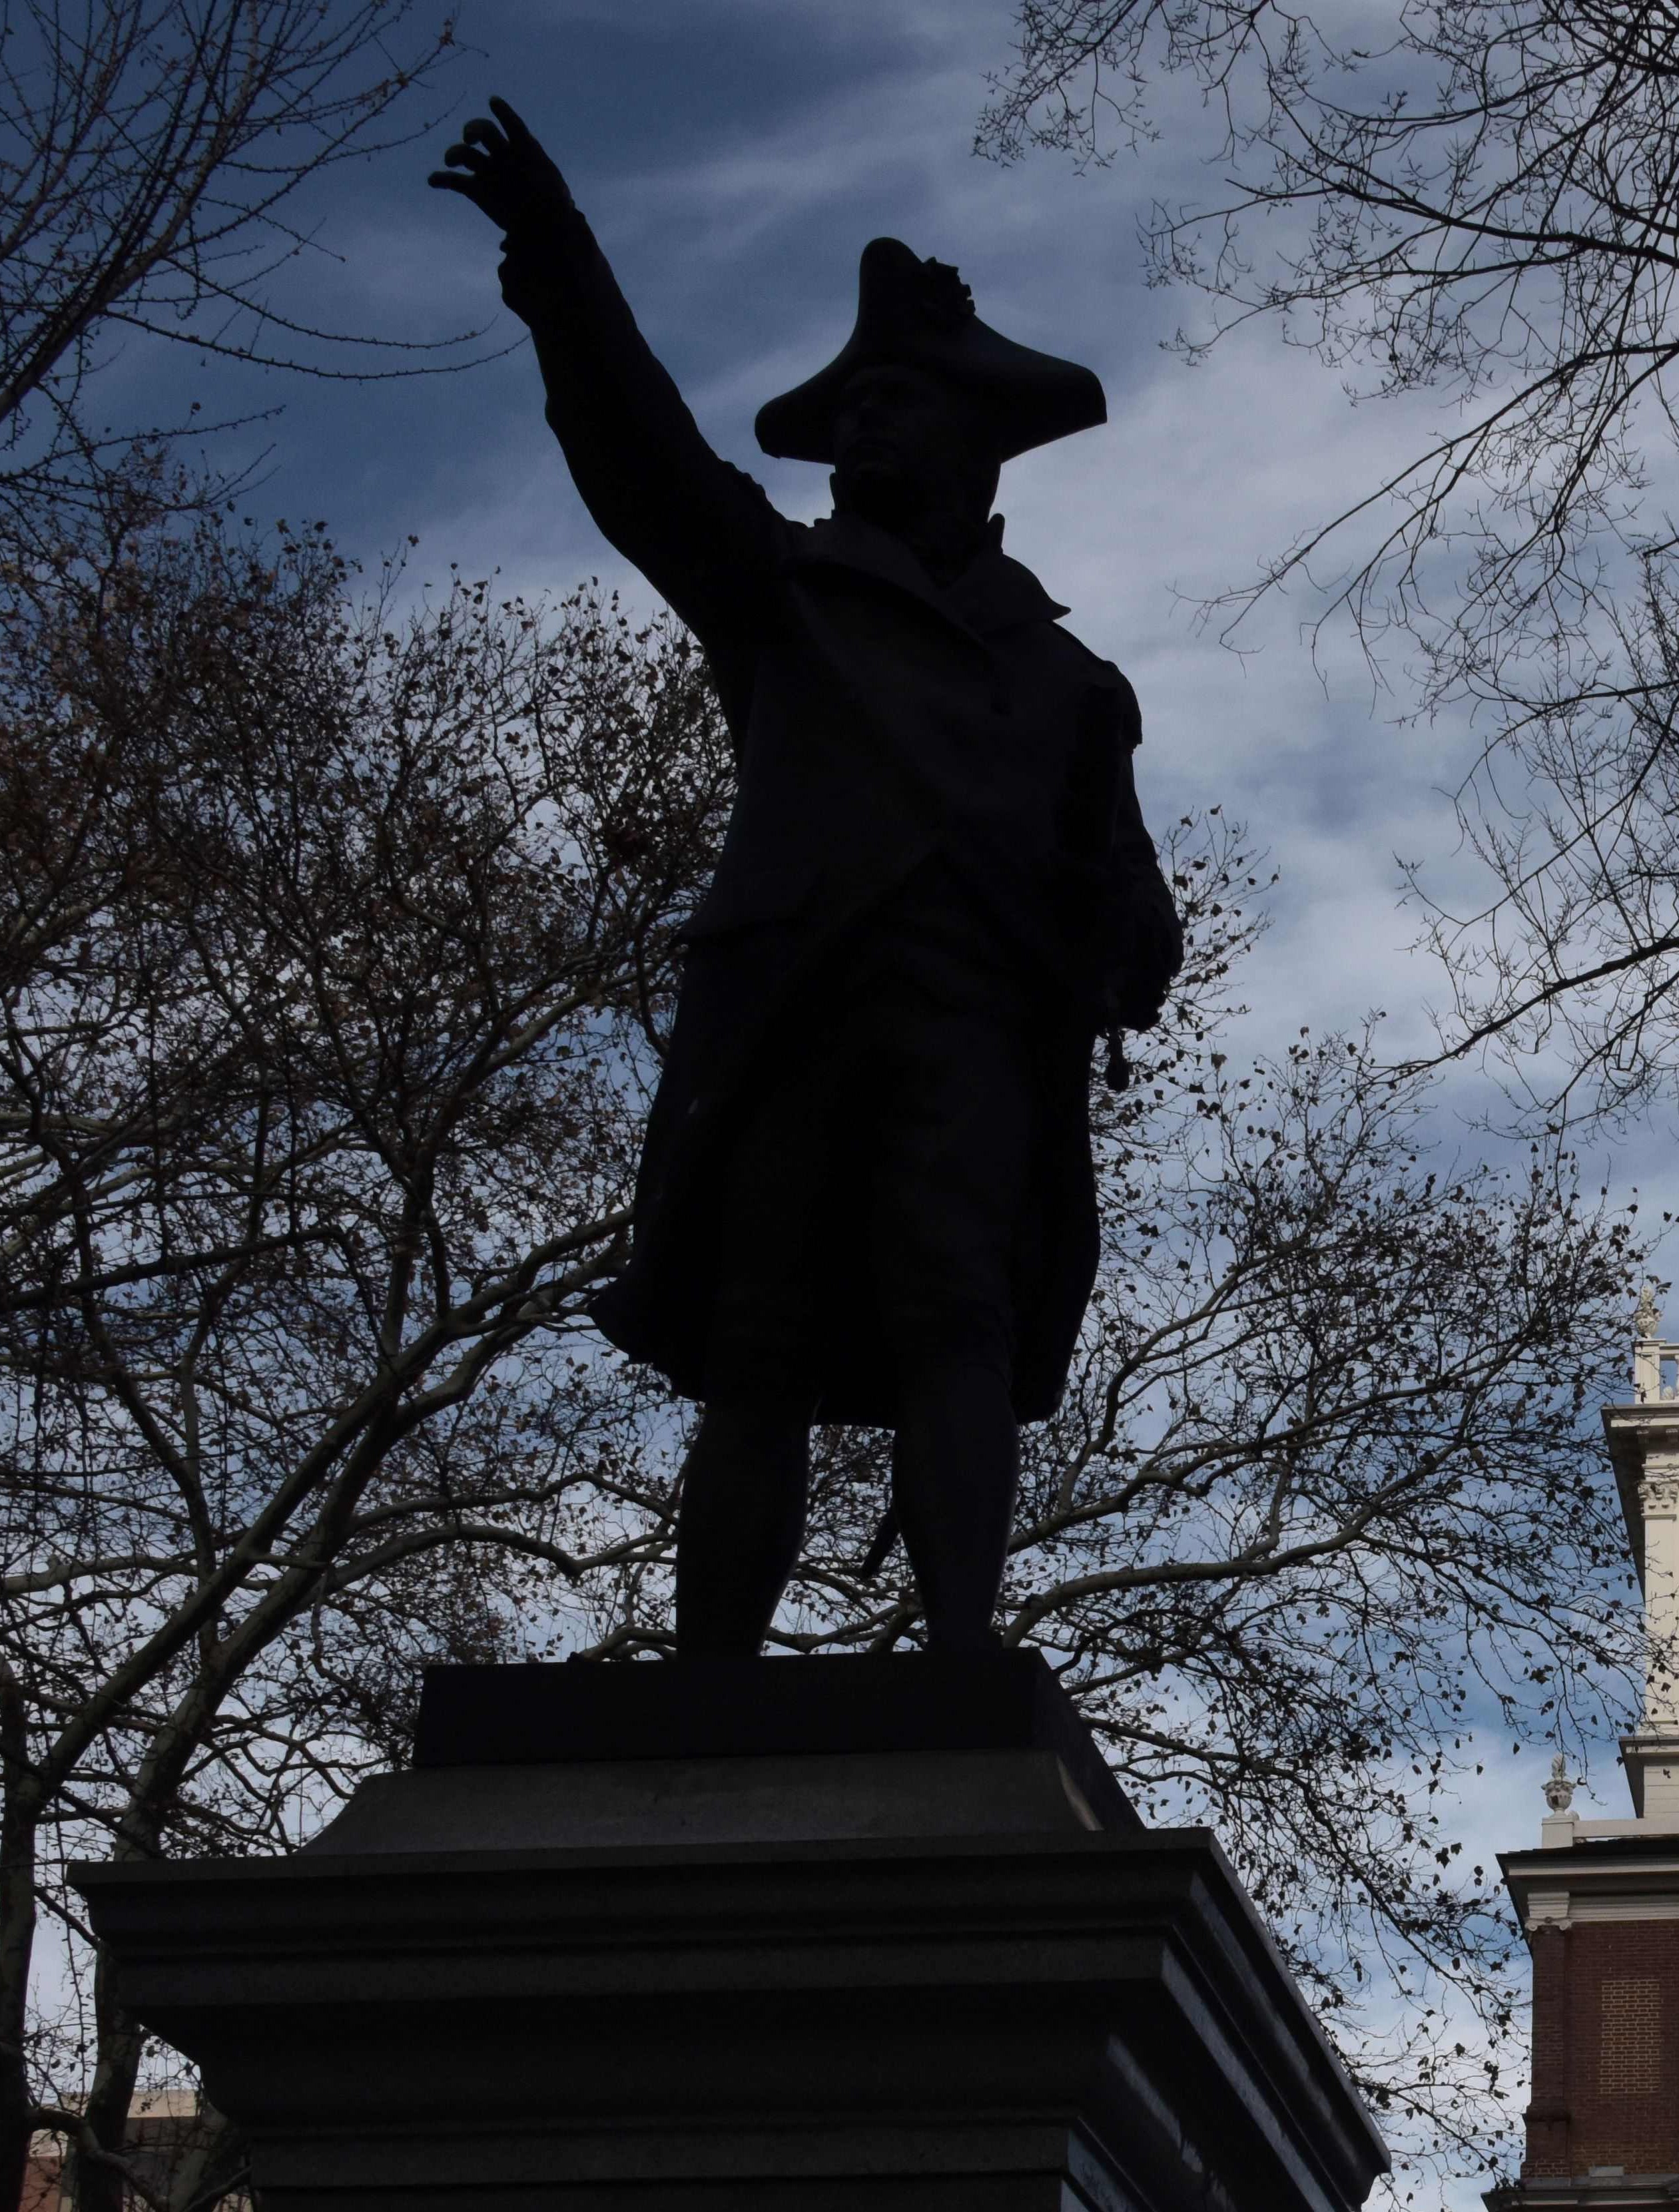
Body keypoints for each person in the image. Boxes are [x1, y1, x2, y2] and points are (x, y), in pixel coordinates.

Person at [430, 99, 1183, 1653]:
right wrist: (560, 259)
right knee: (759, 1347)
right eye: (859, 408)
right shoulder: (784, 593)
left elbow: (1141, 928)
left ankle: (961, 1650)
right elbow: (639, 455)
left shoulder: (1070, 687)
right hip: (794, 1030)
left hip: (973, 1043)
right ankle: (712, 1676)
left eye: (899, 402)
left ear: (976, 439)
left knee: (953, 1330)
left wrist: (1109, 941)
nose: (867, 430)